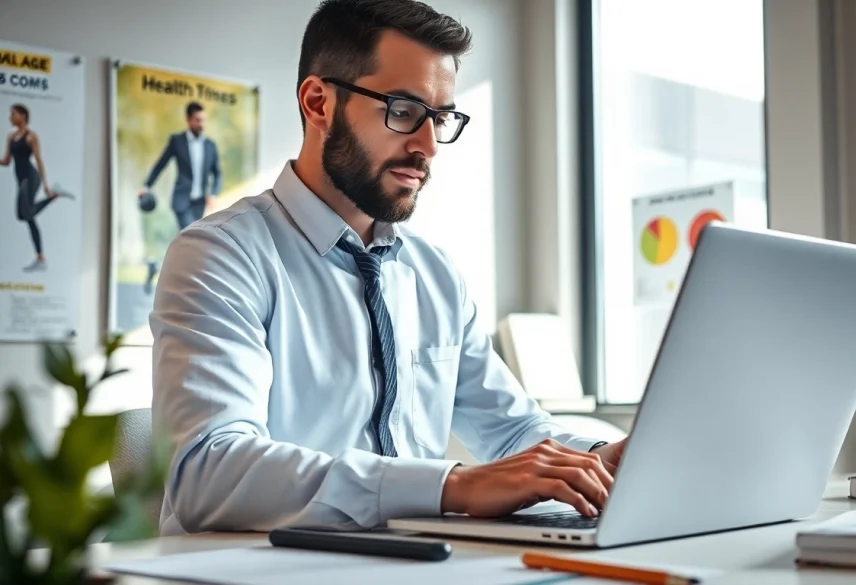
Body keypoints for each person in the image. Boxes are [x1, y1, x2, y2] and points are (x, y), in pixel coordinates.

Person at [150, 0, 628, 537]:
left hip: (412, 564)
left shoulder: (435, 275)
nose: (427, 146)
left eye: (441, 117)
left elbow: (514, 430)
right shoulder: (219, 255)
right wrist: (452, 486)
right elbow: (209, 474)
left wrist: (606, 458)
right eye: (403, 110)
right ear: (318, 103)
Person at [137, 101, 222, 293]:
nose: (202, 124)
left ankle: (158, 266)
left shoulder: (210, 146)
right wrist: (146, 185)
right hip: (181, 200)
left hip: (199, 202)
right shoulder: (177, 141)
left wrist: (214, 193)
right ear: (189, 120)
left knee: (187, 240)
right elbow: (161, 164)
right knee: (193, 236)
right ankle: (192, 284)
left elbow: (217, 173)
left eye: (203, 120)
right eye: (198, 120)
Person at [0, 104, 73, 272]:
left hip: (31, 178)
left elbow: (38, 160)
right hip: (20, 179)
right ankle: (40, 258)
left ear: (23, 116)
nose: (10, 117)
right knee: (26, 217)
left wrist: (46, 185)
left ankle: (54, 195)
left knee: (24, 214)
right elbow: (6, 161)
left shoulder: (31, 137)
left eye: (13, 114)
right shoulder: (10, 137)